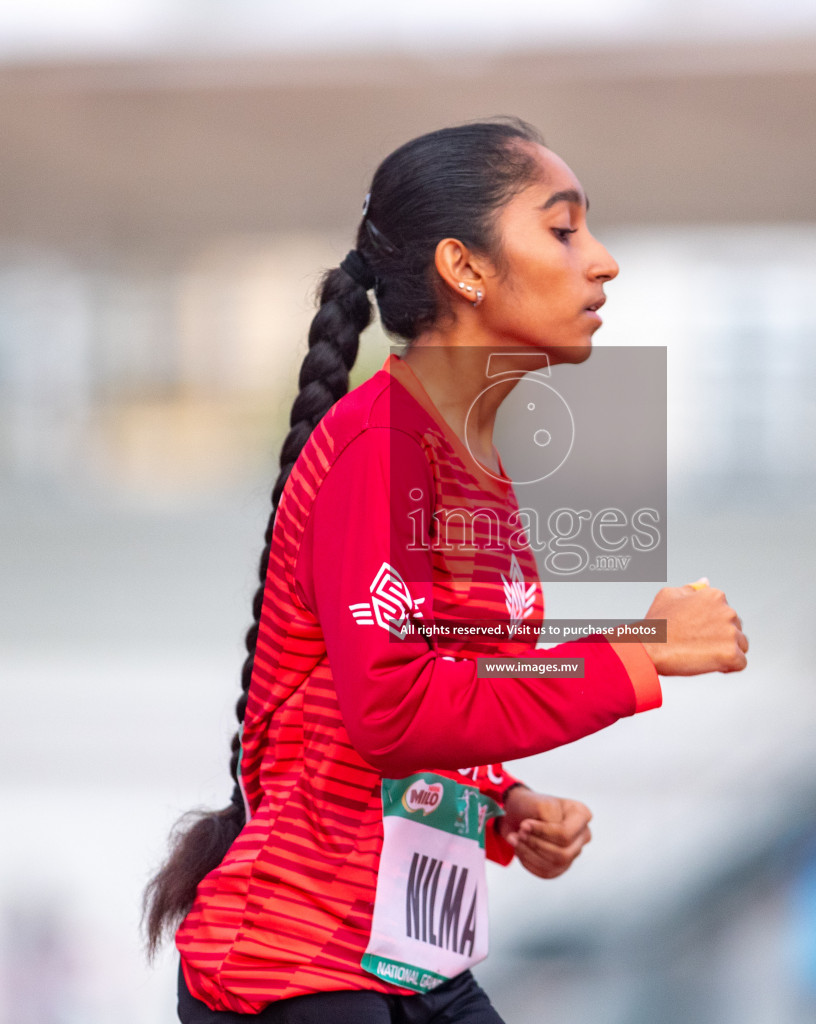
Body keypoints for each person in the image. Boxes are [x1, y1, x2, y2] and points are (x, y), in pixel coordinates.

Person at [143, 117, 749, 1024]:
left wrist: (499, 803)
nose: (603, 261)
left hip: (409, 966)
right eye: (563, 228)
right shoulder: (380, 450)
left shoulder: (470, 461)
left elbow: (435, 691)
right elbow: (392, 712)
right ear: (464, 269)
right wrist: (639, 647)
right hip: (300, 972)